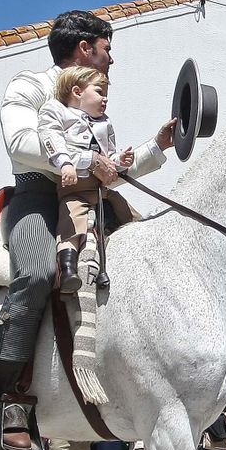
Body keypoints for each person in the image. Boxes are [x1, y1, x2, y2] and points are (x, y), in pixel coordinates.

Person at [0, 12, 176, 450]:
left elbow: (113, 167)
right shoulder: (30, 85)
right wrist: (88, 160)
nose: (113, 59)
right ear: (86, 47)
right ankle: (9, 397)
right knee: (35, 273)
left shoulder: (95, 104)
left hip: (94, 196)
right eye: (108, 49)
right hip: (39, 193)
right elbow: (20, 143)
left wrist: (157, 146)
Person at [38, 65, 167, 293]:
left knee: (131, 215)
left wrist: (120, 161)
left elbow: (108, 158)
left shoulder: (104, 124)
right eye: (99, 92)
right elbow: (53, 139)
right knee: (71, 221)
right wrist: (66, 163)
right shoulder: (57, 112)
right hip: (75, 189)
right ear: (77, 92)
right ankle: (67, 269)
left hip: (101, 191)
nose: (105, 99)